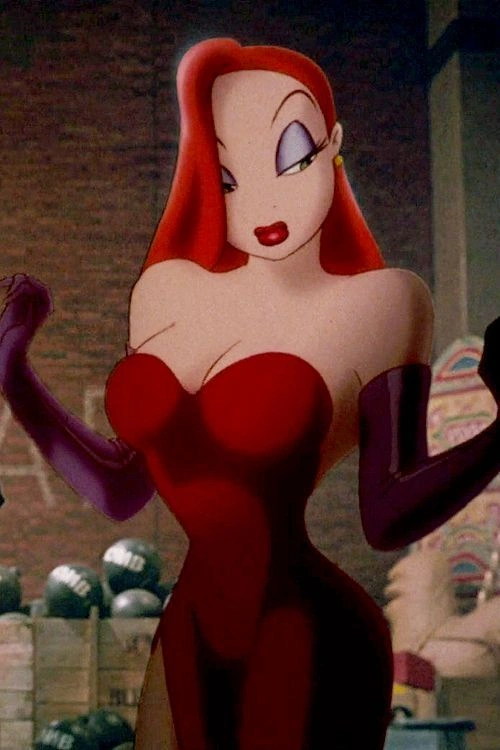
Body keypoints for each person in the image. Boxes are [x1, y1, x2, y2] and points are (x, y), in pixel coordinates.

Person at [0, 38, 498, 750]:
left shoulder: (383, 303)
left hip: (308, 630)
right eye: (228, 176)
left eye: (290, 153)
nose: (262, 200)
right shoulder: (168, 293)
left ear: (334, 144)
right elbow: (121, 488)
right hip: (191, 625)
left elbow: (387, 514)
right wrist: (14, 372)